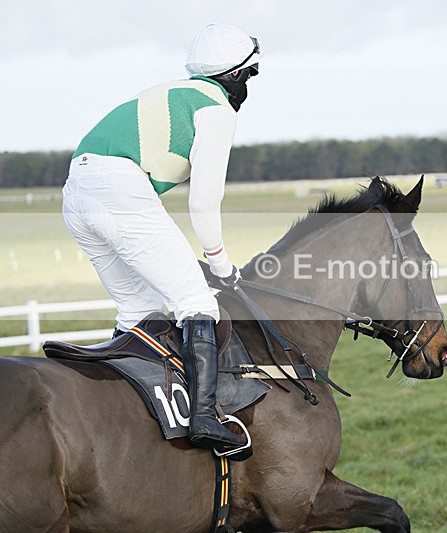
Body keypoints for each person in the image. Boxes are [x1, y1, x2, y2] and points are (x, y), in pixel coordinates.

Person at [62, 24, 260, 453]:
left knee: (138, 309)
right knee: (198, 303)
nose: (250, 85)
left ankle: (130, 412)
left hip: (76, 192)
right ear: (236, 76)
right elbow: (205, 202)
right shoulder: (217, 110)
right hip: (118, 189)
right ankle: (205, 418)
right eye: (251, 75)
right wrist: (222, 264)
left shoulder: (171, 91)